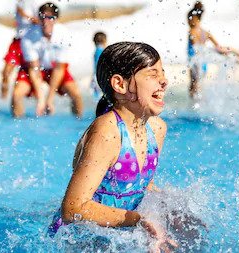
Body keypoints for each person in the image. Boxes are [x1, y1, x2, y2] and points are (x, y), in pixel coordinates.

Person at [48, 42, 177, 252]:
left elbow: (143, 186)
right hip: (78, 240)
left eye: (162, 72)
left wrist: (172, 209)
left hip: (118, 235)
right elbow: (73, 208)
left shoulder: (157, 129)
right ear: (120, 84)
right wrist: (138, 220)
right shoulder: (107, 132)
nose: (164, 81)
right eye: (152, 74)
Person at [12, 2, 83, 118]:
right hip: (35, 69)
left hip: (55, 69)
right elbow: (33, 69)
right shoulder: (29, 36)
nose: (46, 21)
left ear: (56, 19)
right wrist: (41, 99)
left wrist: (49, 99)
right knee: (16, 95)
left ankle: (78, 125)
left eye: (50, 18)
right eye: (42, 17)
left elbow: (59, 68)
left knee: (76, 95)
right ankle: (18, 126)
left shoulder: (64, 35)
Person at [0, 0, 40, 99]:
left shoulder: (35, 3)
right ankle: (3, 99)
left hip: (30, 42)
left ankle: (38, 101)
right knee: (5, 72)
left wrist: (25, 15)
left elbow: (40, 21)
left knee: (32, 74)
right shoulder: (19, 2)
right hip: (17, 42)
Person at [187, 1, 223, 99]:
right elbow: (218, 46)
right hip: (203, 62)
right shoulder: (205, 32)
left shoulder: (192, 31)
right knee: (200, 84)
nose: (188, 22)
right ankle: (201, 102)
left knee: (193, 85)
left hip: (194, 61)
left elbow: (194, 46)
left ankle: (194, 106)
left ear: (194, 19)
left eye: (189, 19)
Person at [90, 31, 107, 100]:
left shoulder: (97, 50)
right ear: (105, 40)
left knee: (98, 98)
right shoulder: (101, 51)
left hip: (96, 76)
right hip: (100, 77)